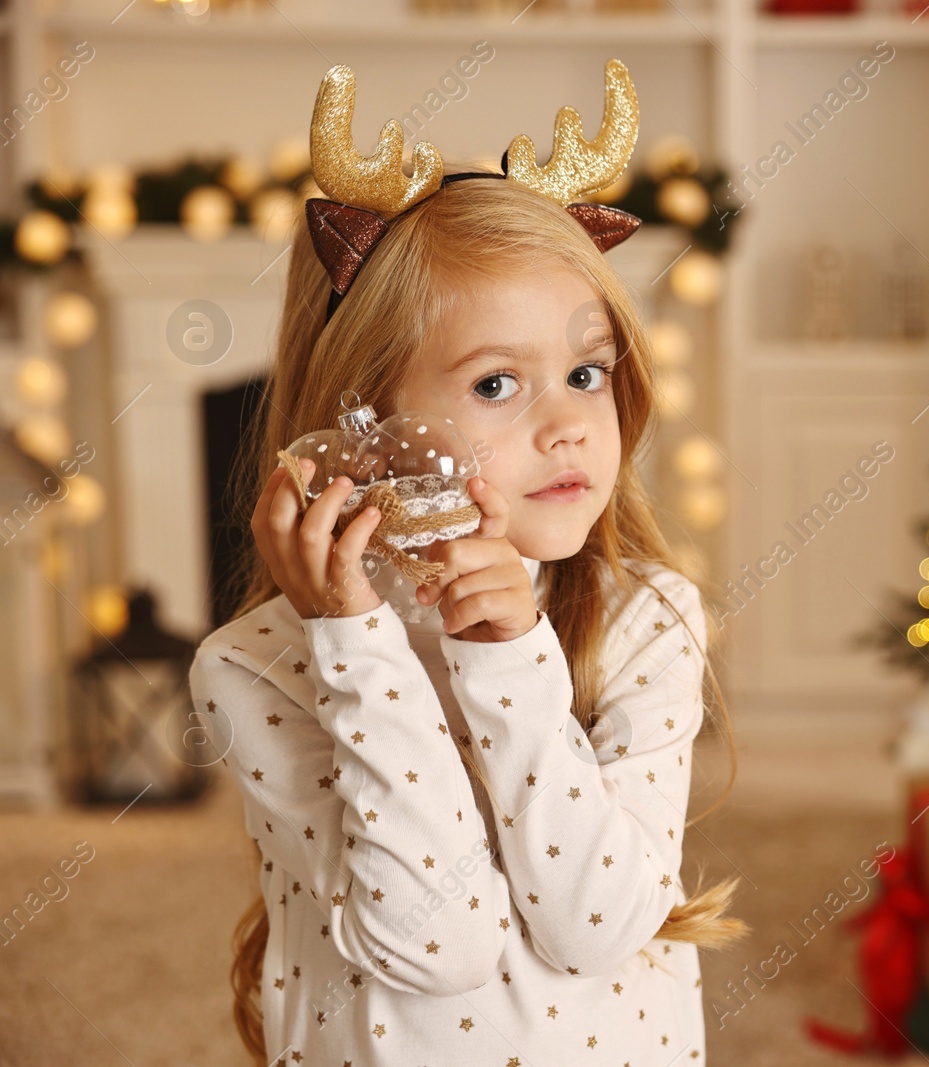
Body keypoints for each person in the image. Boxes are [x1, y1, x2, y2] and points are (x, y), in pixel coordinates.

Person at [189, 59, 747, 1066]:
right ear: (361, 420)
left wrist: (510, 660)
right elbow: (435, 946)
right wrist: (354, 645)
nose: (569, 425)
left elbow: (597, 925)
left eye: (585, 371)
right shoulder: (254, 664)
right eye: (497, 382)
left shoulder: (649, 619)